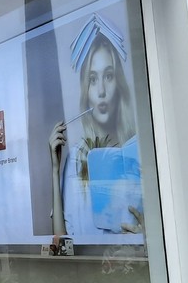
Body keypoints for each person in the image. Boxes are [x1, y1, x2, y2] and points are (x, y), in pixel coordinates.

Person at [49, 14, 144, 240]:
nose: (101, 90)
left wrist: (144, 235)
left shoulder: (138, 151)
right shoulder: (75, 159)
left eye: (108, 76)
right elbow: (61, 240)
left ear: (119, 83)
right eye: (93, 79)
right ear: (86, 90)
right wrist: (55, 169)